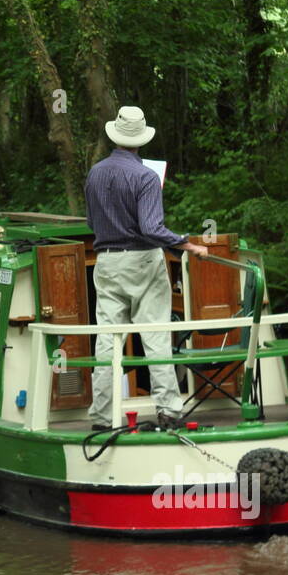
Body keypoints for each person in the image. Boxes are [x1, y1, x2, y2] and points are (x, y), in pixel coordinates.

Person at [84, 106, 207, 431]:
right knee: (155, 334)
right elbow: (152, 228)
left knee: (107, 340)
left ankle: (101, 415)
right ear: (140, 140)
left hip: (107, 260)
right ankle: (168, 410)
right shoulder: (146, 176)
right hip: (143, 260)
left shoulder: (94, 173)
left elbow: (91, 222)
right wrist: (187, 244)